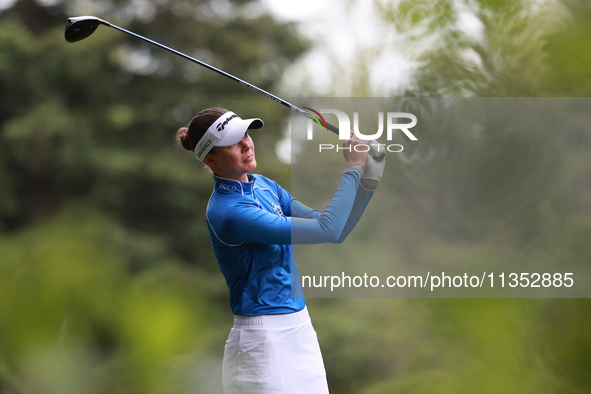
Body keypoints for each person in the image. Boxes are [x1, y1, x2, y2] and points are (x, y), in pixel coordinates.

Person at [176, 107, 385, 393]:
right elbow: (328, 228)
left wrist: (367, 181)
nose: (247, 144)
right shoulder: (229, 211)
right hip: (261, 342)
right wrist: (353, 167)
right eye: (233, 143)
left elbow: (336, 230)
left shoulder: (265, 186)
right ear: (210, 158)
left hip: (300, 329)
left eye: (246, 135)